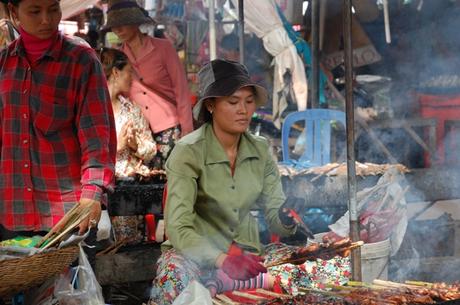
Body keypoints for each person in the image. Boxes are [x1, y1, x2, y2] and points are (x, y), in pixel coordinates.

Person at [149, 59, 350, 305]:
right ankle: (222, 280)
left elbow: (276, 221)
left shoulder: (261, 150)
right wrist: (222, 259)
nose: (243, 110)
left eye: (248, 101)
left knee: (335, 270)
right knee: (171, 279)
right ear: (210, 105)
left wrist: (285, 218)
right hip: (196, 258)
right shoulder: (187, 152)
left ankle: (234, 282)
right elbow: (178, 228)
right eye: (233, 102)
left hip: (249, 256)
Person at [0, 0, 116, 252]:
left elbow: (97, 137)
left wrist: (93, 192)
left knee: (72, 290)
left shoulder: (81, 60)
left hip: (68, 214)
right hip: (12, 210)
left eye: (53, 9)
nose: (46, 19)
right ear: (13, 12)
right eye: (34, 11)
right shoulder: (4, 65)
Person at [103, 0, 194, 170]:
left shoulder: (163, 48)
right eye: (114, 26)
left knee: (170, 179)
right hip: (138, 132)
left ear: (135, 23)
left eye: (122, 24)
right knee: (146, 182)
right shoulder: (120, 57)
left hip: (169, 127)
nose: (118, 30)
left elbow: (181, 90)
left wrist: (187, 130)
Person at [98, 47, 160, 179]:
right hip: (102, 181)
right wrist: (116, 147)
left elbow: (151, 150)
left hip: (131, 182)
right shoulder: (92, 111)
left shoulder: (131, 109)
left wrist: (136, 146)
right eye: (129, 72)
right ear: (115, 72)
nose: (132, 78)